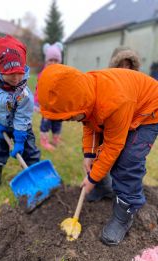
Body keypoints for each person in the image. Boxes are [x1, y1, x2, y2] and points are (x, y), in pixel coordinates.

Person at [37, 64, 158, 246]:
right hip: (124, 106)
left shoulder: (113, 102)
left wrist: (93, 178)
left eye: (69, 118)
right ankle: (104, 188)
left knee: (127, 160)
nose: (69, 121)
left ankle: (125, 211)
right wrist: (89, 154)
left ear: (79, 104)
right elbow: (89, 122)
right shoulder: (86, 93)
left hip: (148, 111)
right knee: (97, 156)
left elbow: (113, 146)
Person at [0, 35, 40, 192]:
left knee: (30, 151)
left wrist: (19, 138)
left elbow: (23, 116)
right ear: (0, 69)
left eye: (20, 72)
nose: (16, 78)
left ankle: (33, 175)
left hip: (21, 127)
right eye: (11, 73)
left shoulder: (23, 92)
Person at [87, 46, 141, 202]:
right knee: (98, 155)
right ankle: (100, 186)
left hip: (128, 127)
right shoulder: (106, 81)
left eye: (128, 65)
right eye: (121, 64)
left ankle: (117, 191)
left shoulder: (136, 83)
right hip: (106, 125)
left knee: (122, 159)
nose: (125, 68)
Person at [34, 42, 63, 151]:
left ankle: (56, 139)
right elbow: (38, 89)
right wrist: (36, 103)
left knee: (58, 123)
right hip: (46, 106)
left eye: (56, 60)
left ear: (59, 61)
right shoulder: (43, 74)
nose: (53, 62)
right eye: (50, 60)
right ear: (46, 61)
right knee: (46, 123)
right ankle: (44, 141)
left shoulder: (61, 74)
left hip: (58, 106)